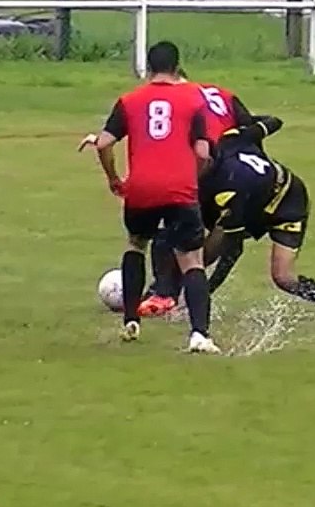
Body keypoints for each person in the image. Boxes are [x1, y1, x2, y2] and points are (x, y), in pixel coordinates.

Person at [79, 41, 220, 354]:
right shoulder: (193, 98)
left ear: (148, 66)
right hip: (181, 189)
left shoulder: (130, 101)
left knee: (136, 244)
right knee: (191, 260)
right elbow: (203, 150)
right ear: (176, 65)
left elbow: (103, 143)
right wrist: (191, 176)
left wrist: (114, 179)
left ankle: (131, 319)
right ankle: (199, 334)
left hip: (141, 188)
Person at [199, 115, 315, 323]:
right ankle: (165, 294)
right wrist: (247, 125)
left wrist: (207, 292)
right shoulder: (232, 140)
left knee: (284, 278)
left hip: (287, 202)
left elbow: (233, 250)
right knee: (201, 254)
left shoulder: (229, 186)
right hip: (254, 201)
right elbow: (274, 122)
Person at [138, 74, 256, 318]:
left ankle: (166, 292)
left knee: (175, 227)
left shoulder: (181, 97)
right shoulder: (223, 93)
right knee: (215, 232)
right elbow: (249, 129)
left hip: (203, 166)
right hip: (233, 170)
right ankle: (178, 289)